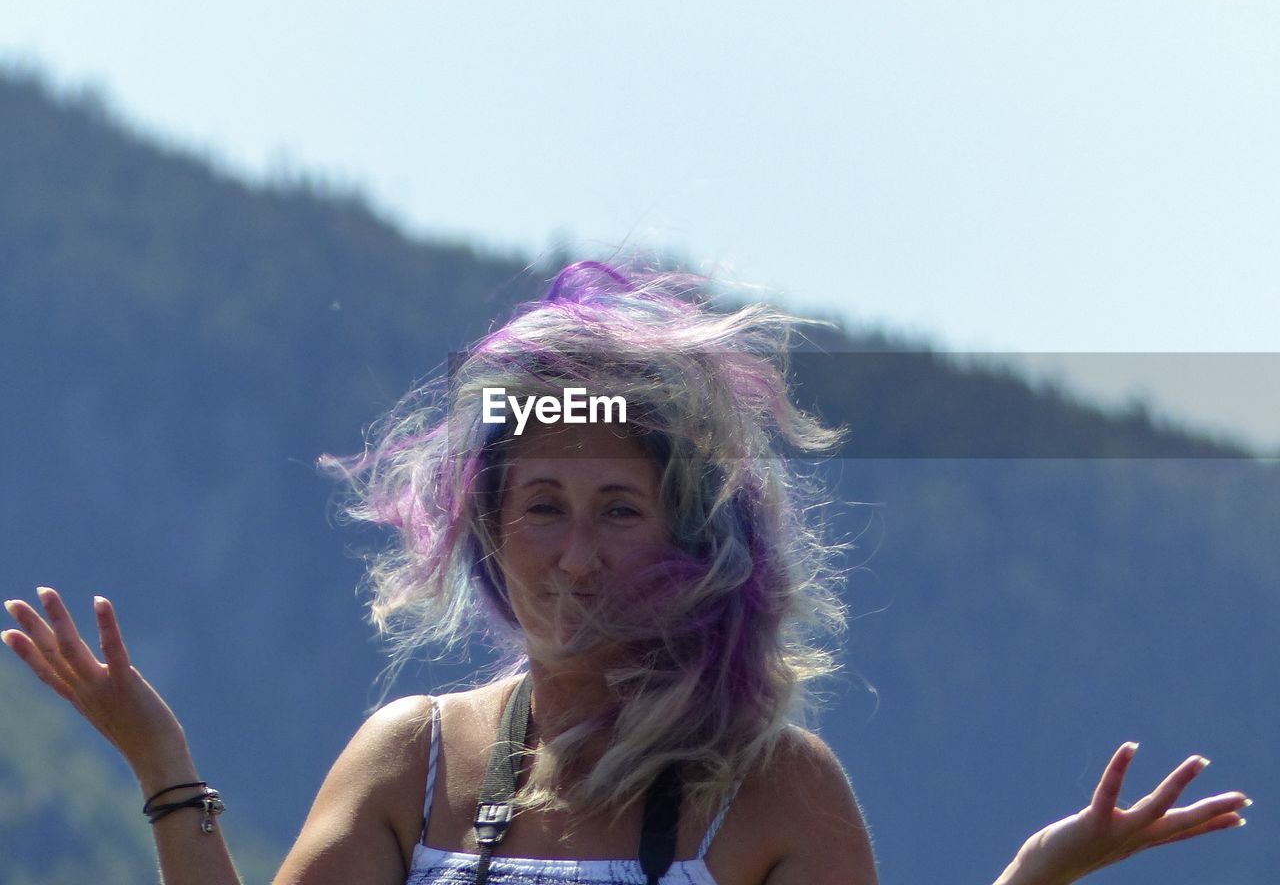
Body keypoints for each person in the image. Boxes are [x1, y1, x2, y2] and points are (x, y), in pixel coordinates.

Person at [2, 261, 1251, 885]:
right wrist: (160, 761)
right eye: (540, 505)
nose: (577, 550)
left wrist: (1032, 878)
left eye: (618, 508)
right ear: (485, 529)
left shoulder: (765, 787)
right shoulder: (411, 754)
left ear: (690, 541)